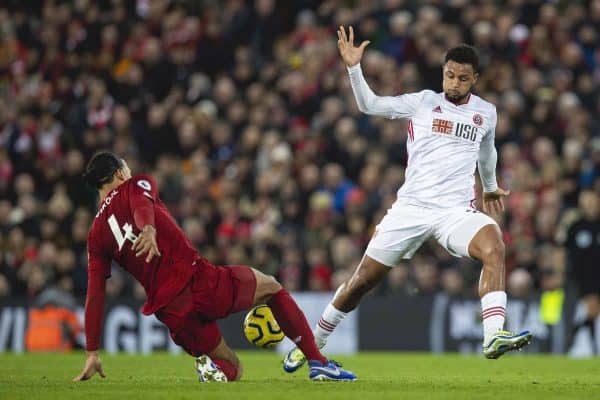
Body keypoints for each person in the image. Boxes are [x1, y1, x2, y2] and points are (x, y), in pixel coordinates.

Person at [283, 26, 532, 372]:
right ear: (442, 72)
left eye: (462, 78)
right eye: (449, 75)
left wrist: (489, 185)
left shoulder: (486, 113)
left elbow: (487, 153)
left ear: (474, 79)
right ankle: (311, 345)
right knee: (361, 282)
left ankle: (492, 335)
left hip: (454, 212)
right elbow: (369, 105)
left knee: (495, 246)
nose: (454, 83)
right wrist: (354, 68)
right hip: (411, 209)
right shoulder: (423, 102)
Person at [73, 151, 356, 382]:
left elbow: (95, 294)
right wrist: (147, 228)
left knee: (231, 368)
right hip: (198, 283)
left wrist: (92, 351)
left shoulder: (96, 235)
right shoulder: (134, 185)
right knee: (271, 287)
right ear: (120, 173)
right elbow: (139, 204)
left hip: (171, 313)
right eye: (127, 168)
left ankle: (212, 371)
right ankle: (317, 363)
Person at [564, 190, 600, 351]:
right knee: (582, 315)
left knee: (592, 315)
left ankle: (582, 340)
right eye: (586, 202)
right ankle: (572, 343)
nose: (589, 205)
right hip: (578, 281)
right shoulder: (575, 226)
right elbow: (563, 251)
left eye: (592, 201)